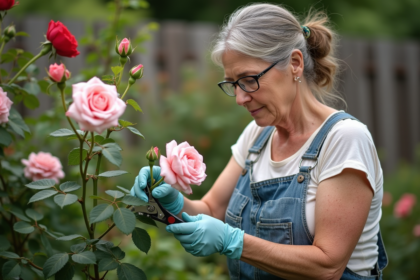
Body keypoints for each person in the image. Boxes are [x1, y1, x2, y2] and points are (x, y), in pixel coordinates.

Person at [131, 3, 388, 279]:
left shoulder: (343, 139)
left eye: (249, 79)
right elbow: (211, 211)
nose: (240, 98)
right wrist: (172, 201)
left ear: (295, 63)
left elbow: (328, 265)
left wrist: (235, 242)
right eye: (232, 84)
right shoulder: (257, 137)